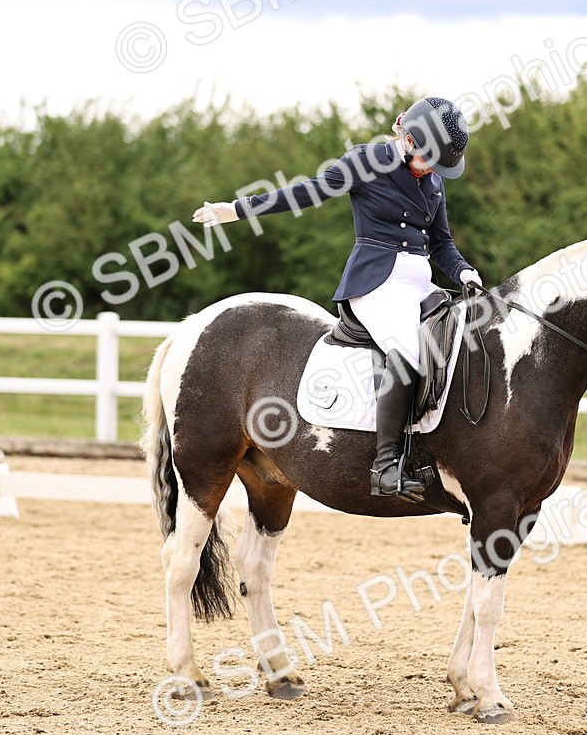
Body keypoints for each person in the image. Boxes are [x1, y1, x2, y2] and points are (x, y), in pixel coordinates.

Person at [194, 96, 483, 499]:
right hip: (377, 283)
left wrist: (465, 271)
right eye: (429, 160)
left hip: (422, 283)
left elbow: (442, 243)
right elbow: (308, 192)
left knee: (464, 338)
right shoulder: (367, 162)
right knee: (406, 353)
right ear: (409, 139)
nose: (434, 170)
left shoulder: (432, 181)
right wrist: (239, 210)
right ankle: (385, 466)